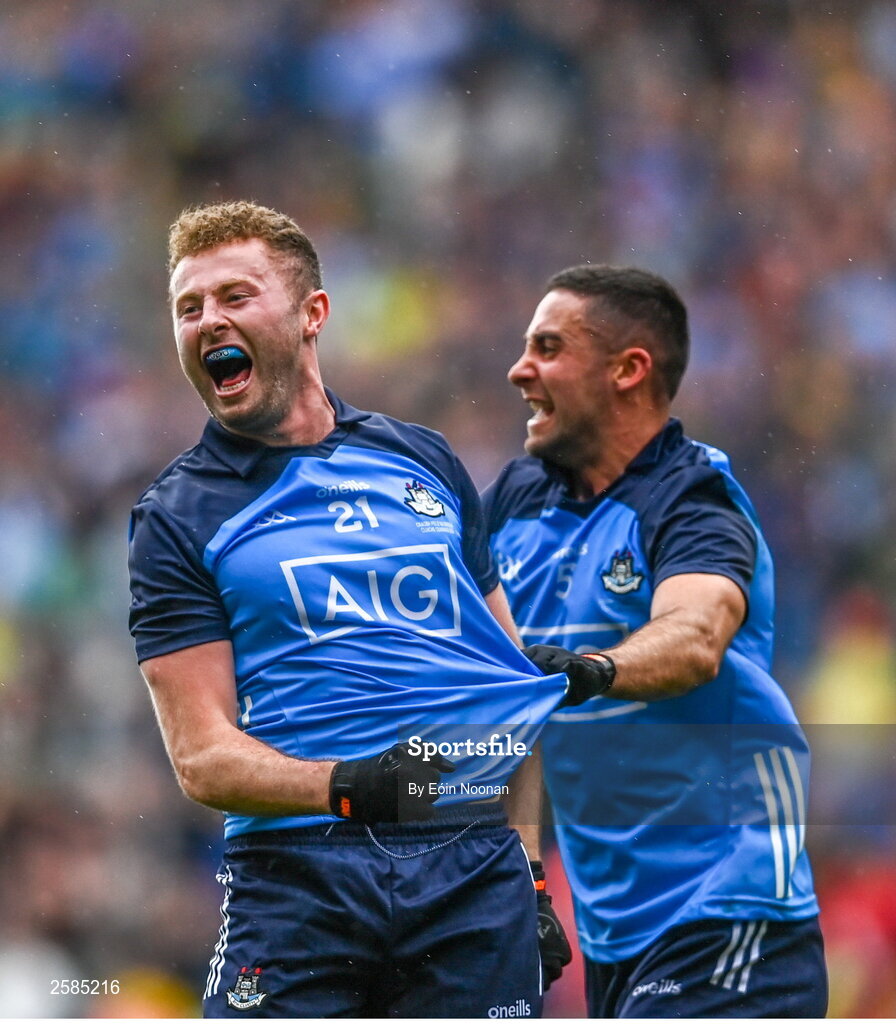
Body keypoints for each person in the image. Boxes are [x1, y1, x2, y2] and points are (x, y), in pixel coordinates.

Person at [127, 201, 578, 1018]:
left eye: (234, 296)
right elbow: (200, 758)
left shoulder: (422, 460)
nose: (207, 321)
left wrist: (531, 870)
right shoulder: (176, 516)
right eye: (187, 308)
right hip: (298, 879)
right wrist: (346, 786)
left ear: (312, 314)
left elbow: (511, 695)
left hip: (470, 871)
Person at [482, 265, 828, 1018]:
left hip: (732, 904)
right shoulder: (514, 502)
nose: (519, 370)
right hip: (612, 934)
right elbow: (507, 707)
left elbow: (695, 635)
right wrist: (524, 878)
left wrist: (588, 671)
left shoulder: (691, 497)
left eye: (547, 347)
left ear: (628, 370)